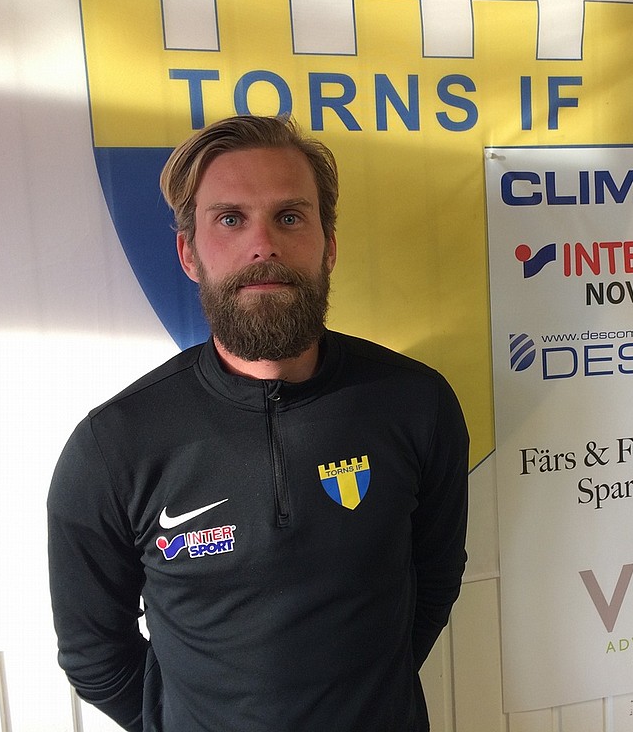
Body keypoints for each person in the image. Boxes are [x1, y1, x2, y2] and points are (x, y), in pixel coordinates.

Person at [47, 115, 470, 732]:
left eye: (290, 217)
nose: (263, 245)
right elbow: (93, 653)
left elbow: (434, 579)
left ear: (328, 246)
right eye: (230, 219)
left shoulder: (417, 403)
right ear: (189, 253)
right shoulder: (113, 446)